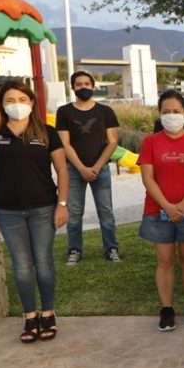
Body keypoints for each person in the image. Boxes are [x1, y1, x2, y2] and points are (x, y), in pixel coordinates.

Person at [0, 80, 68, 343]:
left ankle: (48, 313)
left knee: (43, 263)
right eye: (10, 100)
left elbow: (62, 170)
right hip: (7, 211)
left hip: (44, 208)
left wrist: (62, 205)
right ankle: (30, 316)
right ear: (1, 105)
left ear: (32, 103)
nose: (16, 105)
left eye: (22, 100)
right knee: (21, 266)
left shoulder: (46, 132)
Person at [137, 90, 184, 331]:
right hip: (158, 211)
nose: (171, 116)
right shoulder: (150, 142)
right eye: (166, 112)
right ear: (159, 114)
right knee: (165, 260)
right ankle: (167, 308)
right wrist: (167, 206)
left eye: (176, 111)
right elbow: (147, 177)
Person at [55, 71, 120, 265]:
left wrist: (97, 167)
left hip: (101, 169)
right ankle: (74, 250)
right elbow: (65, 144)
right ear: (72, 87)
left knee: (106, 212)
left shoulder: (105, 111)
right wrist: (82, 168)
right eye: (79, 84)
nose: (83, 87)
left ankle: (111, 249)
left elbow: (112, 141)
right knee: (74, 213)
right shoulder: (64, 112)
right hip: (74, 170)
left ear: (93, 86)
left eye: (86, 84)